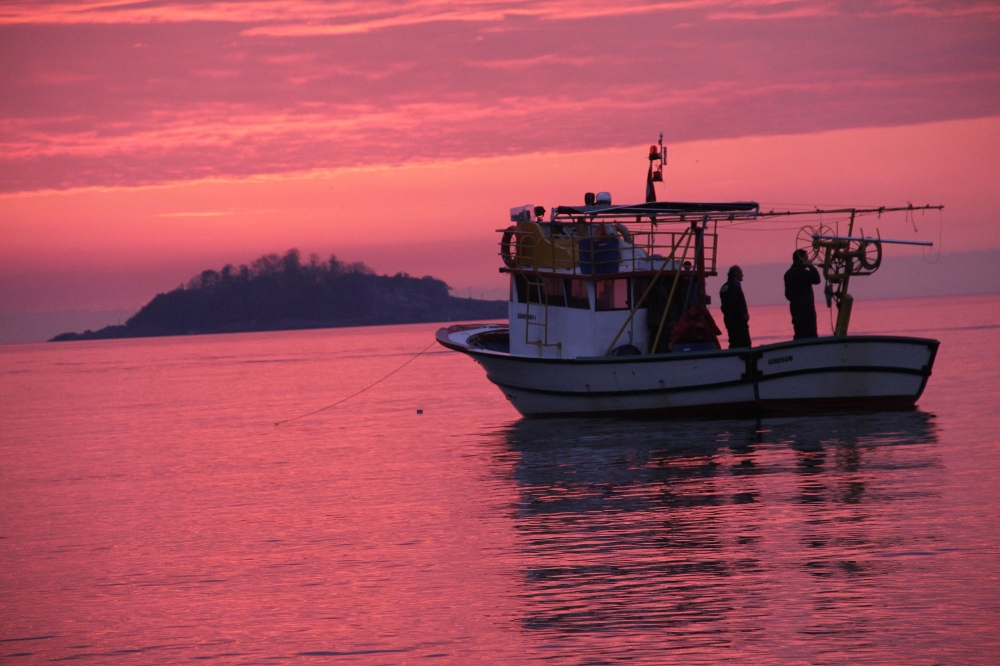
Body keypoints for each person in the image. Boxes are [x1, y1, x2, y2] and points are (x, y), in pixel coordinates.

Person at [784, 249, 822, 339]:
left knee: (799, 332)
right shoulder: (803, 272)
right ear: (801, 258)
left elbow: (787, 294)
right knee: (810, 333)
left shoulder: (788, 274)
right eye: (806, 258)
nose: (808, 260)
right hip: (806, 309)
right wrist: (811, 267)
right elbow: (817, 280)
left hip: (795, 308)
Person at [719, 265, 751, 348]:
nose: (742, 275)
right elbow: (736, 303)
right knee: (743, 343)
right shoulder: (734, 286)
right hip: (738, 321)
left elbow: (724, 305)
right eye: (741, 273)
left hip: (729, 320)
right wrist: (743, 314)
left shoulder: (724, 287)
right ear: (735, 274)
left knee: (733, 341)